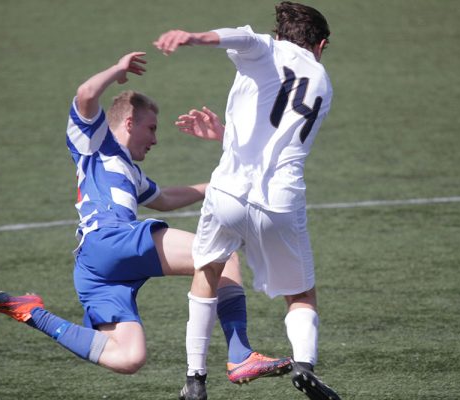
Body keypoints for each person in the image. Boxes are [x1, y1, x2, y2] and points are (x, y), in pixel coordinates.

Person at [0, 51, 291, 395]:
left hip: (94, 267)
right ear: (129, 122)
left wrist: (216, 186)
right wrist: (116, 70)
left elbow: (166, 199)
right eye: (151, 128)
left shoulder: (129, 170)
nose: (155, 139)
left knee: (129, 357)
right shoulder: (94, 142)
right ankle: (240, 354)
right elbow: (86, 94)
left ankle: (32, 313)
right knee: (223, 255)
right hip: (110, 238)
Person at [154, 2, 342, 399]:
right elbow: (277, 138)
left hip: (227, 193)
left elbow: (239, 37)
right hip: (280, 201)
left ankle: (195, 379)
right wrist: (228, 135)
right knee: (301, 295)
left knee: (206, 272)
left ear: (280, 36)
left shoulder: (268, 48)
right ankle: (304, 365)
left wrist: (192, 37)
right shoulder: (323, 81)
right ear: (321, 45)